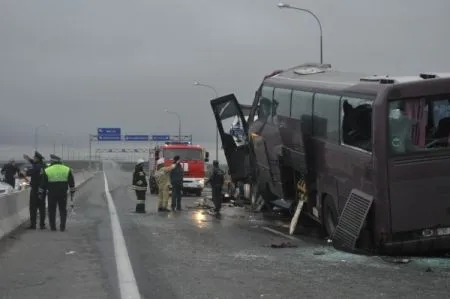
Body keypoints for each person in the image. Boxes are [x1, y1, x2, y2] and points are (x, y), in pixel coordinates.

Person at [39, 154, 75, 232]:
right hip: (63, 193)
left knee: (52, 210)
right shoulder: (67, 169)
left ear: (52, 161)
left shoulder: (47, 170)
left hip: (52, 193)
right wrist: (72, 192)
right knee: (62, 210)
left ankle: (53, 227)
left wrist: (40, 194)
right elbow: (71, 182)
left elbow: (43, 184)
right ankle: (62, 227)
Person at [23, 151, 47, 229]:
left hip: (35, 190)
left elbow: (28, 173)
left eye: (34, 158)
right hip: (42, 190)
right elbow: (35, 164)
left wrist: (23, 173)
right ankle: (42, 225)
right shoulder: (44, 166)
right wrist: (29, 159)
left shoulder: (35, 167)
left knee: (33, 207)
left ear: (37, 158)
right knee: (42, 208)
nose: (33, 158)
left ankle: (33, 225)